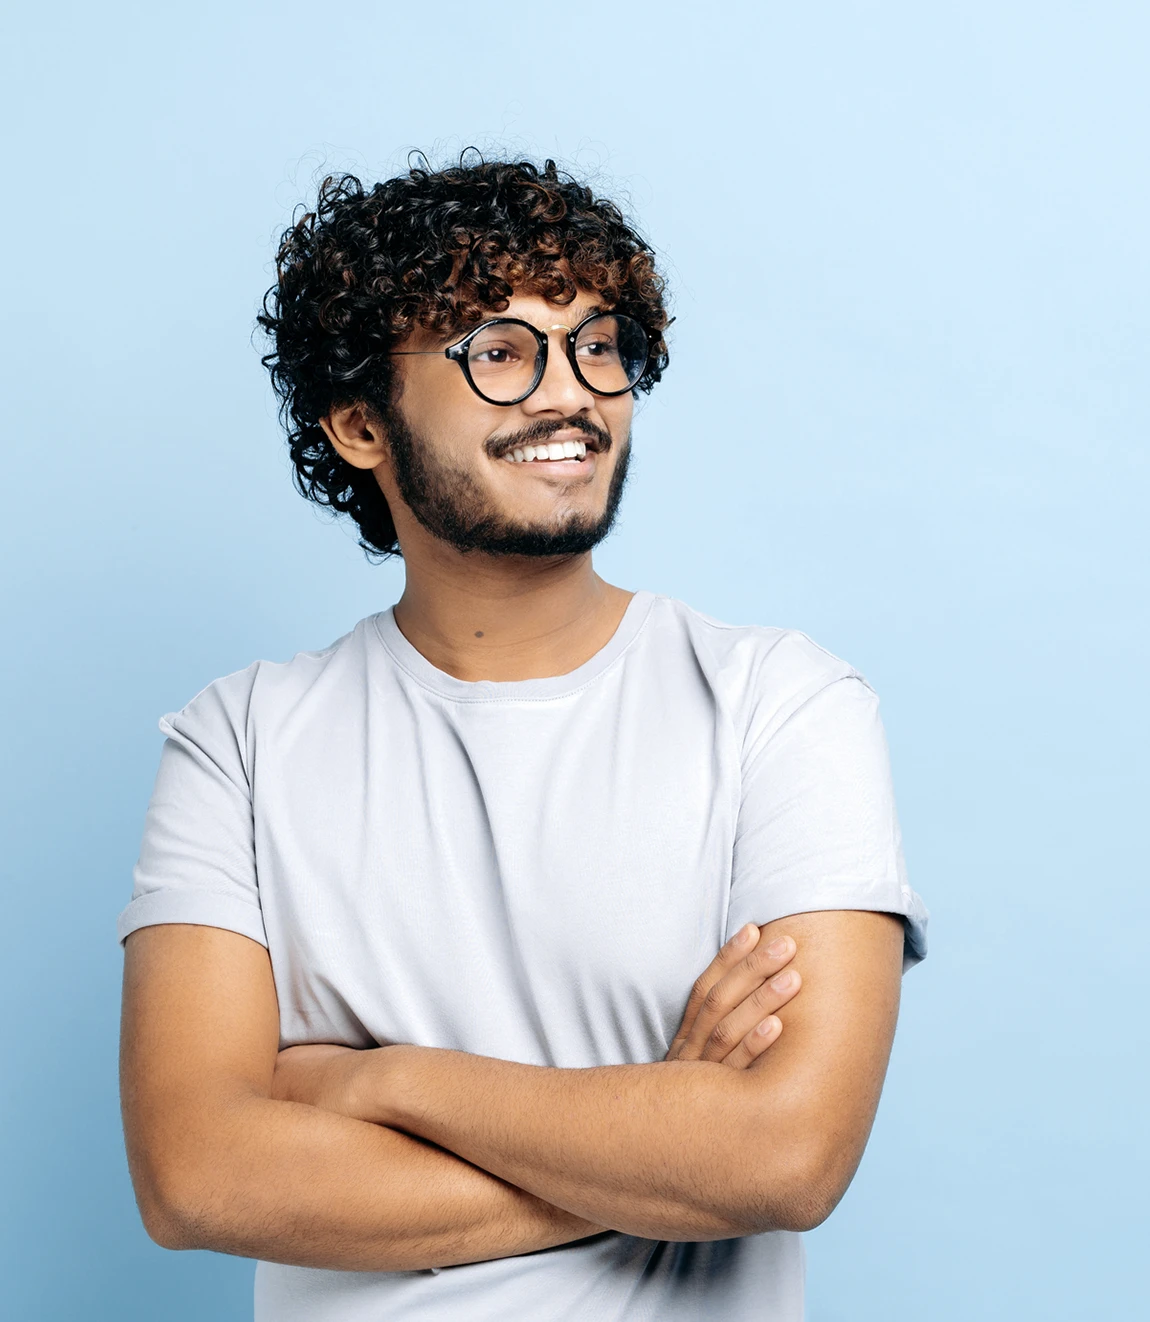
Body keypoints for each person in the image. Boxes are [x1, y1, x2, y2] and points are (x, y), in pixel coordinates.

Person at [117, 156, 928, 1322]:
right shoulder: (236, 740)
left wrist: (381, 1078)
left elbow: (785, 1157)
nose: (573, 392)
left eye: (598, 344)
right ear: (359, 423)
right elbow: (195, 1176)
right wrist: (663, 1133)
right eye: (499, 351)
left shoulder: (780, 702)